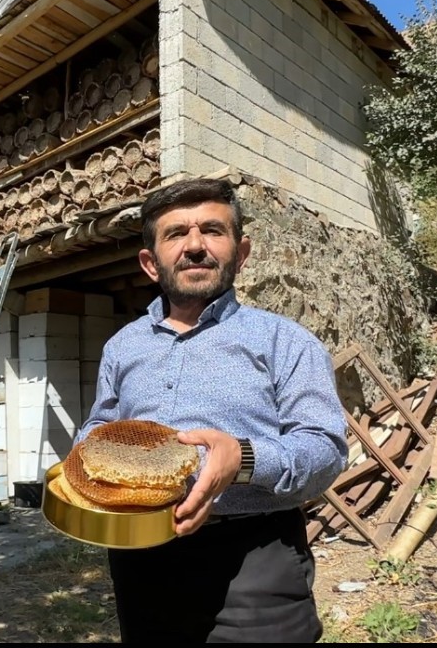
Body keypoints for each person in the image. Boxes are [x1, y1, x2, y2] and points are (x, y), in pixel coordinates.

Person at [76, 177, 349, 643]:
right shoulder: (122, 347)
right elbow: (102, 424)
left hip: (256, 560)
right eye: (176, 233)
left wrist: (242, 460)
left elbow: (324, 449)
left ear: (240, 253)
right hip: (141, 555)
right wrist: (84, 457)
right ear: (150, 261)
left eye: (212, 230)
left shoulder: (285, 341)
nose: (195, 246)